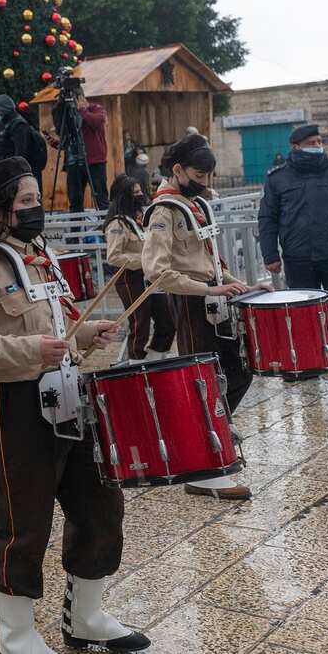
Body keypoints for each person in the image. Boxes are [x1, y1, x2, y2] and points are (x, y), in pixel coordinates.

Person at [0, 157, 140, 654]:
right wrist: (31, 349)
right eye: (25, 202)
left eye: (36, 199)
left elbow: (62, 322)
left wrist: (87, 330)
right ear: (0, 211)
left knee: (100, 505)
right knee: (23, 522)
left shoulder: (42, 258)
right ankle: (17, 636)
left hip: (69, 396)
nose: (36, 210)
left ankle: (87, 615)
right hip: (11, 407)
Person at [143, 134, 260, 500]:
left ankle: (212, 432)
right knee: (201, 383)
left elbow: (210, 259)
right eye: (199, 174)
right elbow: (156, 273)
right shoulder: (164, 210)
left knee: (239, 371)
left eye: (210, 176)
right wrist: (210, 289)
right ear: (177, 170)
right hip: (192, 303)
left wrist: (242, 285)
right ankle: (203, 471)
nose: (206, 183)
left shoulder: (194, 203)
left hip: (214, 297)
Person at [259, 125, 328, 388]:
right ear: (296, 146)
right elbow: (267, 219)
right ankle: (308, 363)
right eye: (312, 141)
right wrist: (270, 254)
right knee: (302, 314)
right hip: (298, 257)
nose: (317, 144)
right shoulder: (278, 179)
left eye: (320, 141)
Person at [103, 175, 175, 362]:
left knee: (167, 321)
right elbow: (113, 256)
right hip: (129, 278)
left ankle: (154, 359)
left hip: (149, 277)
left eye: (140, 190)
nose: (140, 195)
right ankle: (136, 363)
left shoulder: (139, 219)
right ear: (124, 196)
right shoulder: (117, 224)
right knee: (139, 324)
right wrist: (143, 259)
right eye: (135, 192)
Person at [50, 85, 109, 213]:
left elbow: (97, 122)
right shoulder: (67, 113)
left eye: (75, 98)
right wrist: (56, 143)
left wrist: (82, 110)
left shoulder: (95, 108)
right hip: (74, 162)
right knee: (75, 201)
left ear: (81, 97)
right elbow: (64, 133)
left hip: (94, 161)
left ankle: (107, 228)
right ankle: (75, 231)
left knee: (101, 198)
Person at [0, 94, 47, 187]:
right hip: (9, 175)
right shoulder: (8, 123)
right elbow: (4, 141)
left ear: (3, 109)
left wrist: (14, 175)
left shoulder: (19, 126)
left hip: (17, 179)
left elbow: (21, 153)